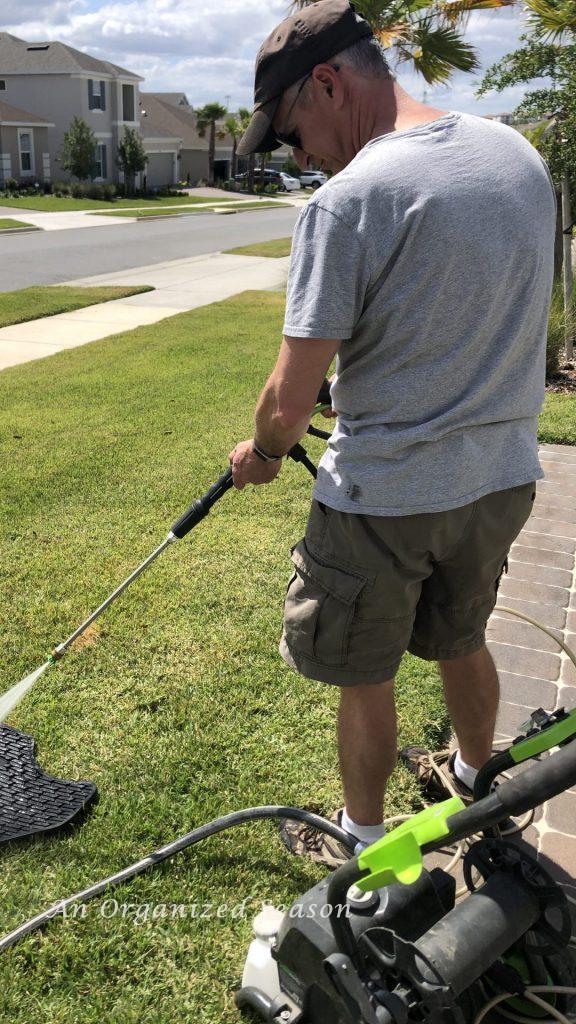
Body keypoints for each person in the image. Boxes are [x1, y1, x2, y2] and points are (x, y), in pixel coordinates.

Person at [230, 0, 556, 862]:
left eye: (293, 132)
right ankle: (480, 790)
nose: (299, 159)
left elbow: (283, 404)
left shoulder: (349, 202)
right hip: (501, 480)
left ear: (329, 83)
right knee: (464, 637)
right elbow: (463, 313)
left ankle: (367, 844)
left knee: (365, 674)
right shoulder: (515, 156)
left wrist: (260, 455)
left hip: (385, 501)